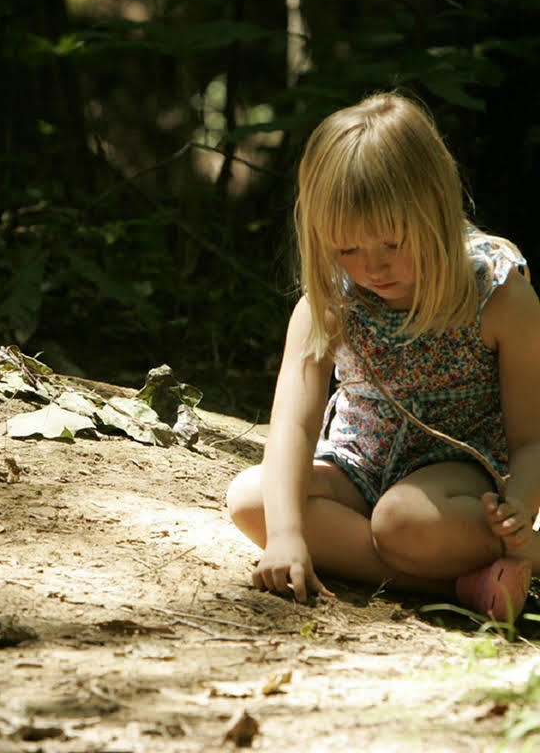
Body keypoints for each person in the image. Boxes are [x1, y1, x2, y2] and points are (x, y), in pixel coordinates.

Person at [226, 91, 540, 623]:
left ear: (436, 211)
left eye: (393, 242)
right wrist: (284, 537)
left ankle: (524, 549)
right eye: (347, 248)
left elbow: (531, 435)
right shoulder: (330, 299)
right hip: (358, 466)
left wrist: (522, 505)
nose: (372, 267)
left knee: (402, 521)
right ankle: (460, 580)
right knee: (252, 499)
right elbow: (293, 427)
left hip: (457, 476)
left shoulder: (496, 294)